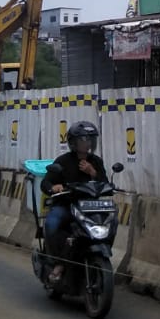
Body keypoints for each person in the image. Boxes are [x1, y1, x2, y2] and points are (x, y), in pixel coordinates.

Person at [40, 121, 107, 283]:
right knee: (51, 223)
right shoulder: (63, 161)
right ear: (73, 142)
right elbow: (45, 183)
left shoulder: (96, 162)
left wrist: (92, 172)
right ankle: (57, 262)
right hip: (66, 205)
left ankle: (99, 255)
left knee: (111, 222)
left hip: (89, 207)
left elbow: (104, 183)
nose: (87, 143)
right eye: (83, 140)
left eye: (90, 139)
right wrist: (54, 188)